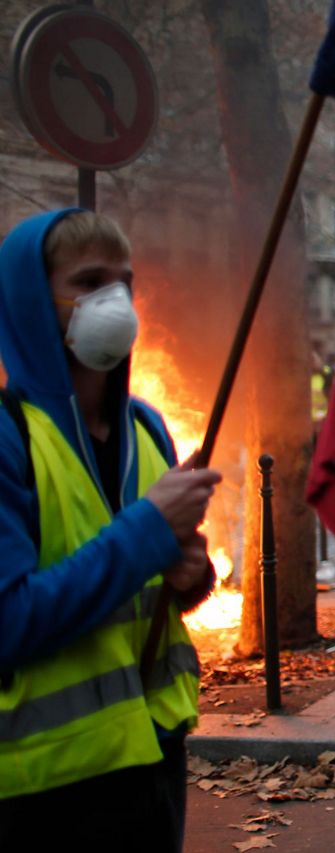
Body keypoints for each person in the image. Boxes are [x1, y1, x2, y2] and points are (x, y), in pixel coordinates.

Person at [0, 209, 223, 851]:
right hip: (50, 783)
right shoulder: (8, 438)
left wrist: (192, 576)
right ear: (29, 301)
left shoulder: (147, 426)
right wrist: (148, 533)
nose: (115, 301)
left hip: (155, 754)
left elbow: (160, 587)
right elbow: (9, 621)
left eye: (125, 282)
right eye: (90, 281)